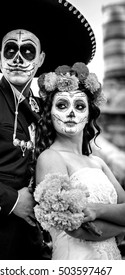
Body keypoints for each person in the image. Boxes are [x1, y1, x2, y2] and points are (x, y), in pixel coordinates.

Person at [0, 0, 96, 259]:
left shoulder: (44, 109)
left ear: (41, 59)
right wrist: (12, 201)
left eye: (28, 51)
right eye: (10, 50)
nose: (18, 59)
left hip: (30, 237)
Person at [35, 62, 125, 260]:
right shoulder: (50, 157)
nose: (72, 113)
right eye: (62, 105)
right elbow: (73, 227)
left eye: (80, 106)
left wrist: (96, 211)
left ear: (89, 115)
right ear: (49, 112)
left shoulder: (97, 162)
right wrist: (119, 225)